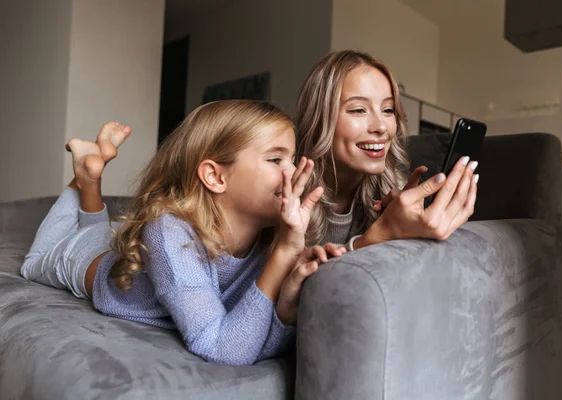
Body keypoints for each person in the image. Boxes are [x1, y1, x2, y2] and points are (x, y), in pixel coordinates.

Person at [20, 100, 345, 366]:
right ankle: (84, 179)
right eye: (276, 159)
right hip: (86, 257)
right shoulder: (168, 233)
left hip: (129, 248)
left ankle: (91, 174)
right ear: (215, 177)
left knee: (102, 231)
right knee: (34, 263)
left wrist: (286, 307)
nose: (295, 172)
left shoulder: (269, 236)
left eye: (292, 158)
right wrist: (285, 253)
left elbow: (250, 337)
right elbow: (221, 347)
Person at [295, 50, 479, 249]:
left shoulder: (390, 192)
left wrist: (411, 234)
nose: (382, 127)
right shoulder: (285, 196)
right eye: (358, 110)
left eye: (388, 110)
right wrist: (379, 235)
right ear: (318, 119)